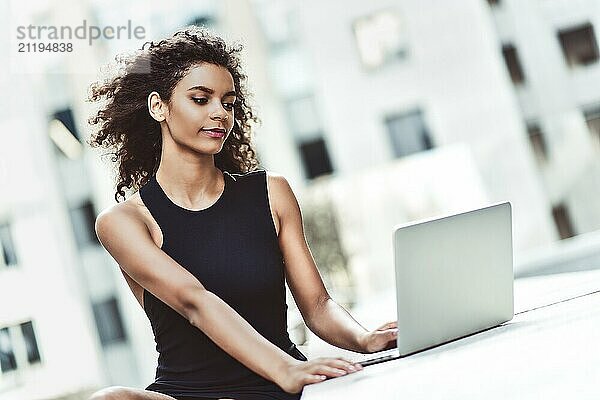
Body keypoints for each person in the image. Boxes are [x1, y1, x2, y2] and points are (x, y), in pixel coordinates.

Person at [86, 26, 397, 400]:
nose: (220, 113)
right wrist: (284, 368)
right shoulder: (123, 222)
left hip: (280, 387)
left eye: (228, 103)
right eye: (201, 99)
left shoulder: (272, 193)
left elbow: (317, 305)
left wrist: (364, 339)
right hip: (193, 393)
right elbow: (194, 301)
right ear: (159, 107)